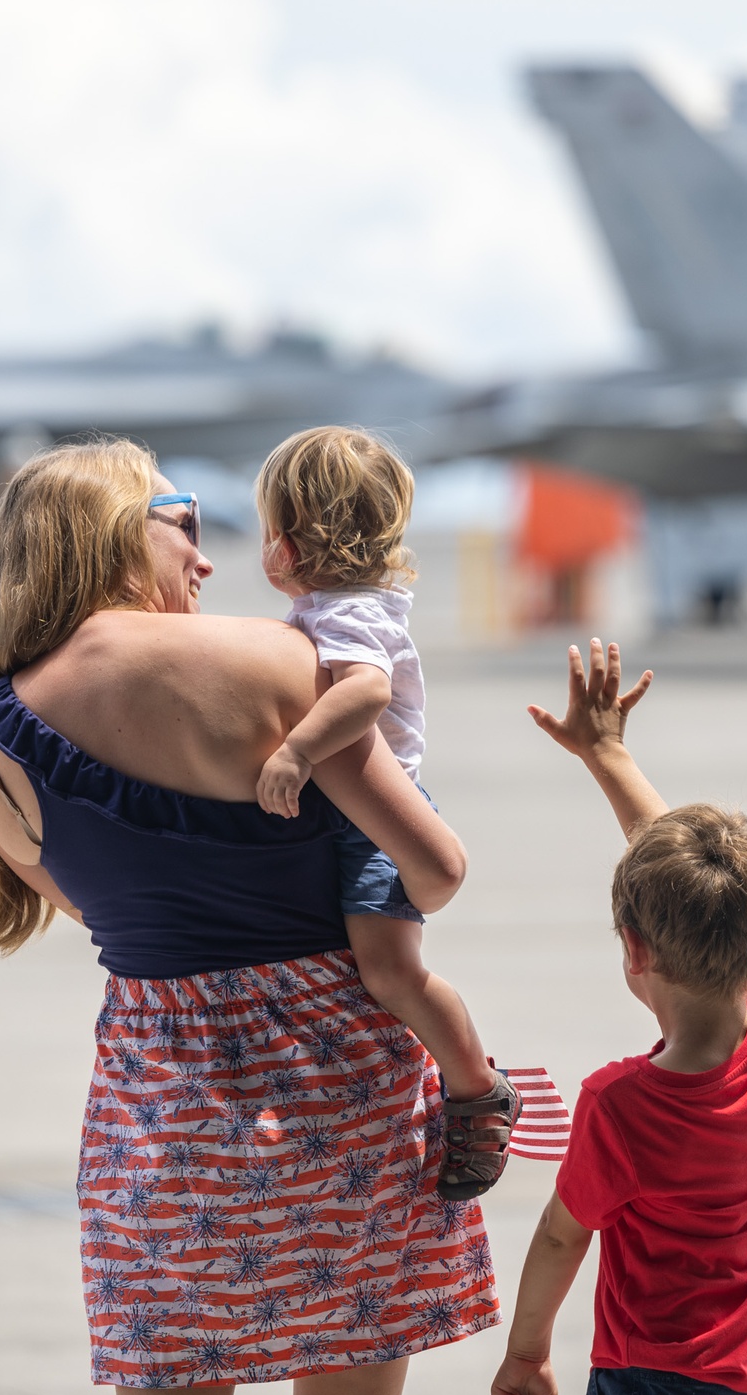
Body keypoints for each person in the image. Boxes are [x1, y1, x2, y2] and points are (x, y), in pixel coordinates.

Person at [0, 436, 501, 1395]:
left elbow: (88, 902)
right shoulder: (282, 662)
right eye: (182, 518)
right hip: (343, 1093)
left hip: (162, 1105)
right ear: (109, 529)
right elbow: (434, 865)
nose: (207, 552)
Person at [490, 639, 747, 1395]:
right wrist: (611, 752)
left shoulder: (621, 1104)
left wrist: (525, 1353)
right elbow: (698, 896)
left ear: (633, 949)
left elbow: (564, 1232)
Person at [253, 426, 519, 1200]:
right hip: (346, 814)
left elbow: (364, 691)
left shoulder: (350, 614)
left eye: (274, 528)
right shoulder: (334, 606)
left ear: (296, 540)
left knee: (392, 972)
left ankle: (478, 1088)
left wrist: (297, 751)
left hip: (373, 820)